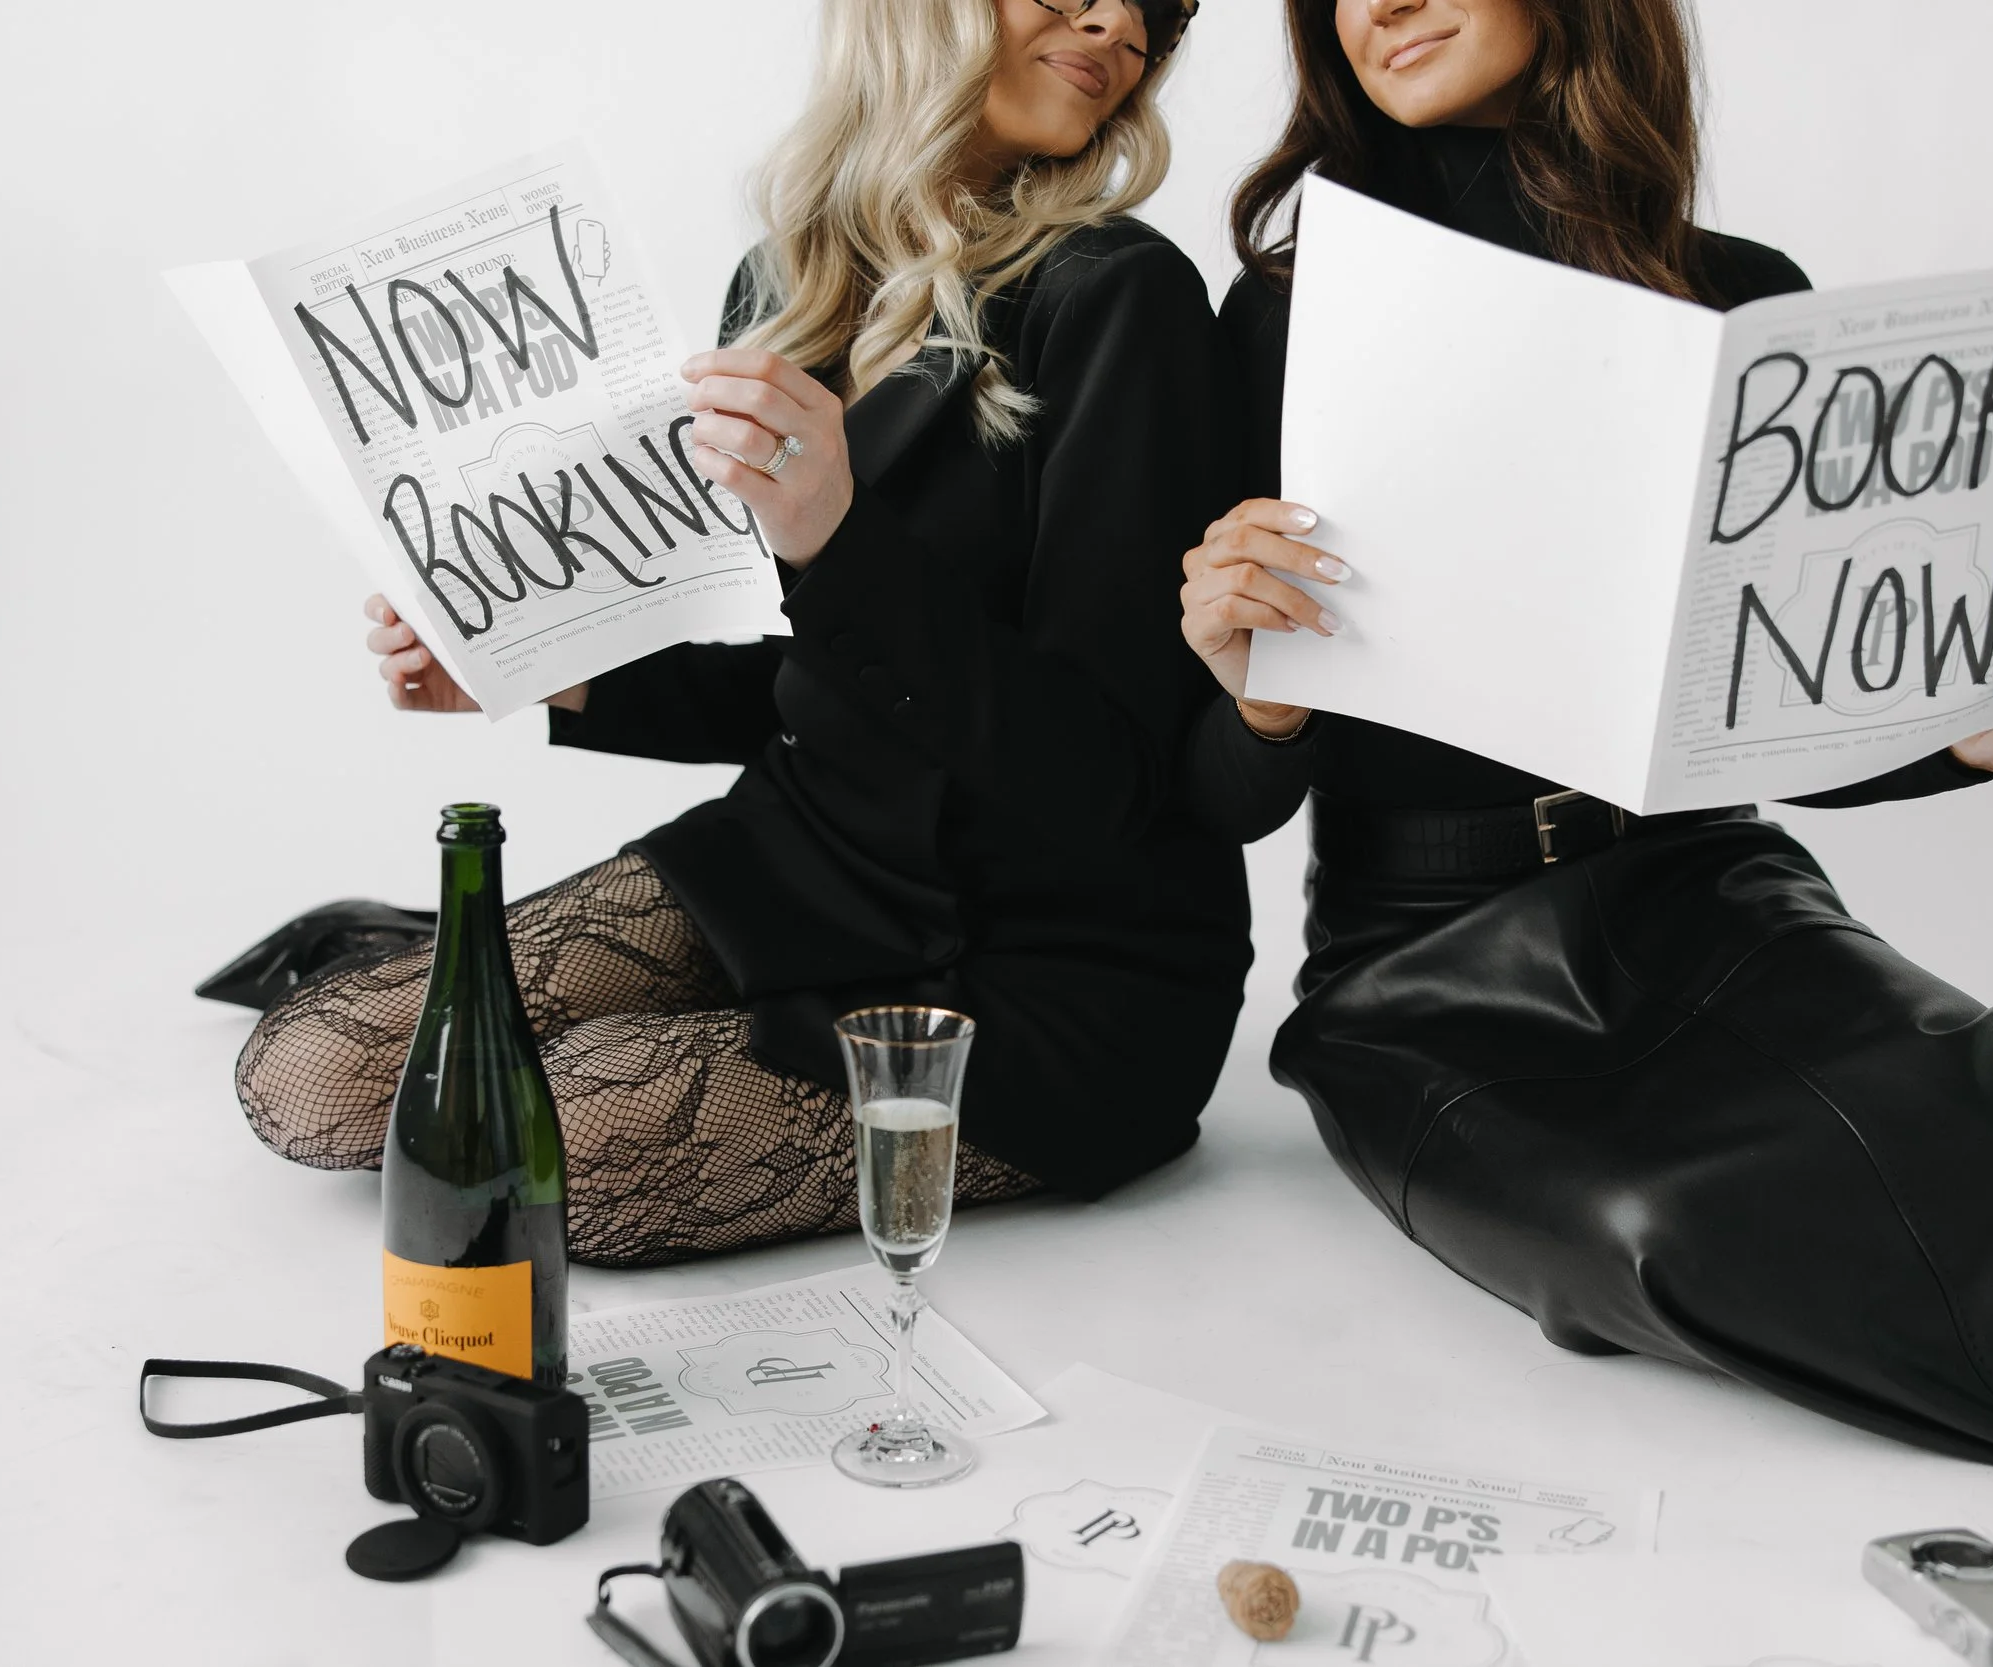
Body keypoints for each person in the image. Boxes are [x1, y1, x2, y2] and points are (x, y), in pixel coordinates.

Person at [1176, 0, 1993, 1478]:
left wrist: (1983, 734)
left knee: (1917, 1108)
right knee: (1663, 1226)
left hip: (1702, 890)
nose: (1376, 3)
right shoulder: (1277, 321)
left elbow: (1791, 717)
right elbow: (1218, 799)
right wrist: (1255, 689)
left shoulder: (1741, 300)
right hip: (1419, 960)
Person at [221, 0, 1246, 1268]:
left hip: (1056, 964)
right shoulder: (786, 281)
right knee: (308, 1074)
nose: (1119, 23)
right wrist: (560, 673)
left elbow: (1101, 777)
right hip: (803, 865)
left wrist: (836, 539)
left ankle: (668, 1008)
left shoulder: (1122, 295)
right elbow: (803, 677)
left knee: (570, 1139)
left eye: (1161, 6)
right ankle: (630, 983)